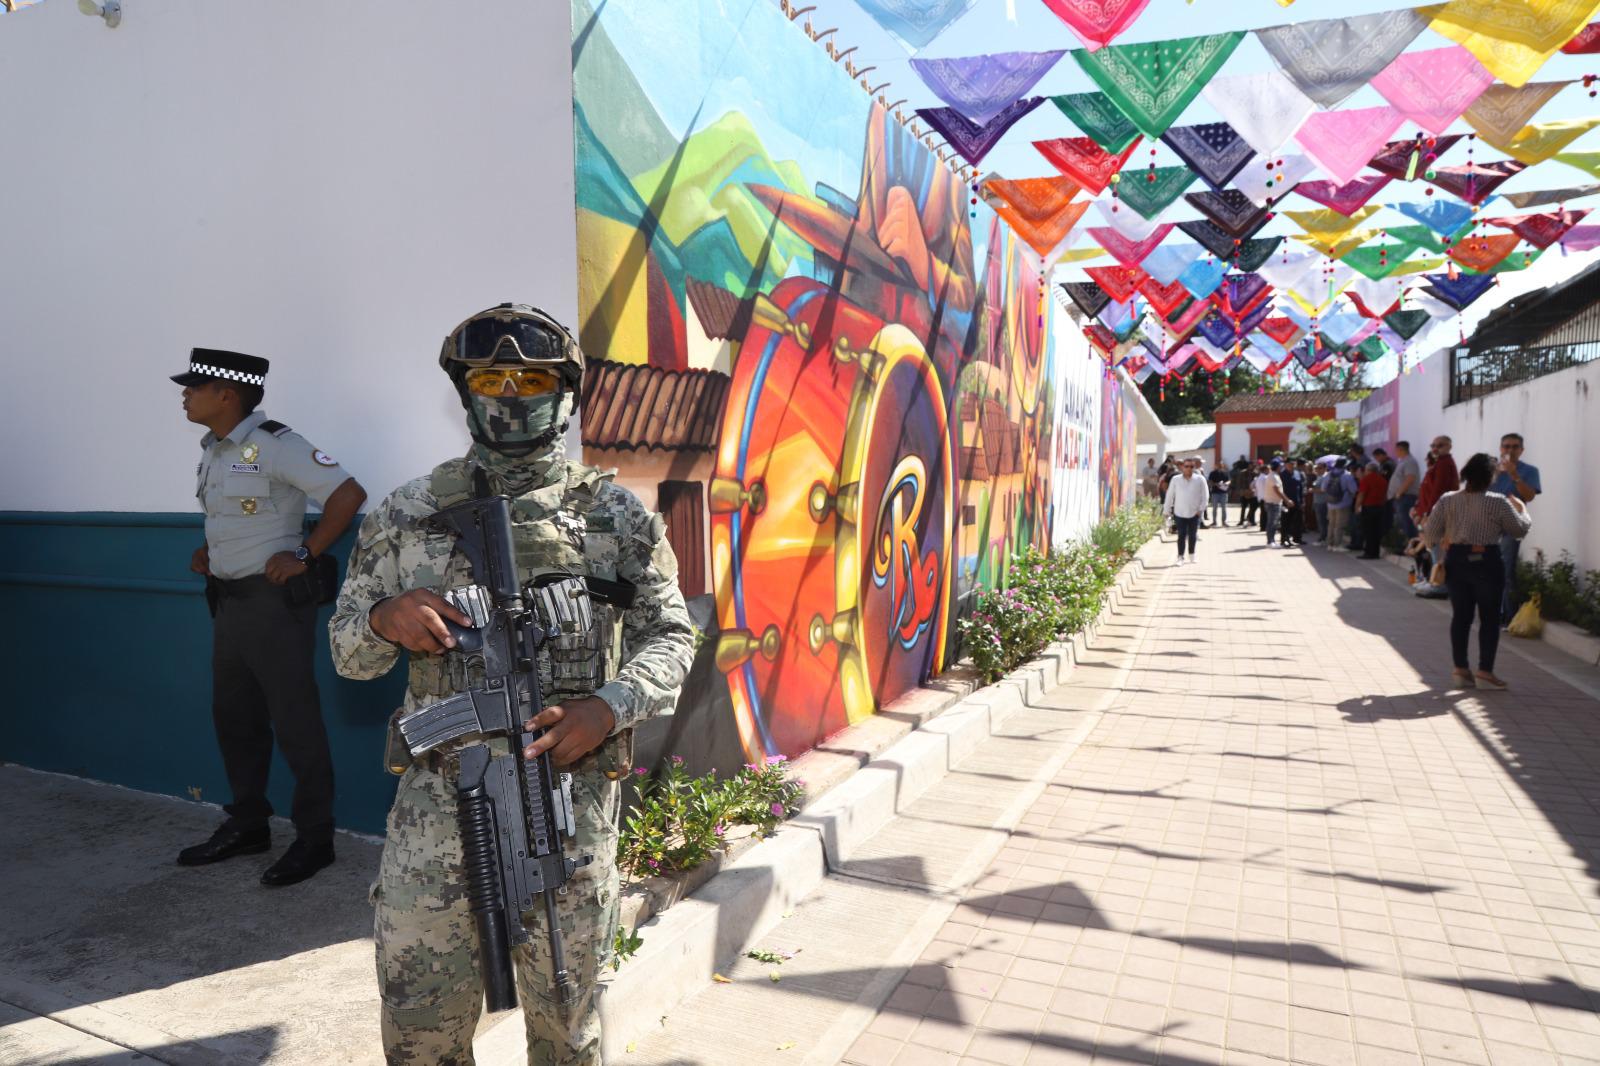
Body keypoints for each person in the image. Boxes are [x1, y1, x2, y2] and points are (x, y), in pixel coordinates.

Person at [329, 304, 696, 1064]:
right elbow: (348, 657)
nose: (511, 392)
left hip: (563, 814)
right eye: (491, 377)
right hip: (436, 814)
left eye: (531, 377)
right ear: (464, 392)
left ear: (565, 394)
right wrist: (382, 620)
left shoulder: (617, 517)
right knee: (418, 1024)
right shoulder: (407, 512)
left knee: (567, 1026)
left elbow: (672, 636)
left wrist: (608, 707)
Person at [173, 348, 367, 885]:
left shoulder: (276, 444)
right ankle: (249, 823)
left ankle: (315, 839)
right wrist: (210, 551)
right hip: (229, 602)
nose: (185, 395)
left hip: (273, 607)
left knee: (295, 721)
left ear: (227, 394)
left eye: (194, 387)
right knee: (235, 719)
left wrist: (305, 553)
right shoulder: (214, 450)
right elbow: (234, 518)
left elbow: (348, 494)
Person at [1423, 453, 1532, 691]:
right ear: (1490, 477)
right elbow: (1519, 530)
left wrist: (1444, 545)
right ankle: (1485, 671)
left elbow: (1430, 535)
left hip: (1456, 560)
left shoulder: (1447, 499)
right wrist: (1522, 509)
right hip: (1487, 561)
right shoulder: (1498, 501)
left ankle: (1461, 669)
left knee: (1461, 617)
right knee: (1490, 619)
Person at [1490, 432, 1541, 626]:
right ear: (1501, 448)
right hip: (1488, 526)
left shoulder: (1529, 471)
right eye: (1506, 446)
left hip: (1512, 526)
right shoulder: (1491, 470)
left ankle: (1507, 616)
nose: (1510, 450)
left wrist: (1514, 476)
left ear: (1521, 450)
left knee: (1506, 570)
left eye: (1514, 447)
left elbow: (1529, 497)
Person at [1163, 456, 1208, 565]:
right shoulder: (1175, 479)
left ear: (1194, 467)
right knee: (1181, 535)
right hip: (1179, 513)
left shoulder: (1200, 479)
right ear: (1182, 467)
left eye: (1191, 466)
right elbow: (1169, 495)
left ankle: (1192, 555)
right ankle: (1180, 557)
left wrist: (1200, 510)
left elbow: (1205, 496)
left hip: (1194, 513)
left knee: (1193, 535)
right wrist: (1166, 510)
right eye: (1186, 466)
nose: (1188, 468)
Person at [1414, 434, 1459, 528]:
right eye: (1433, 445)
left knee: (1432, 540)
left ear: (1449, 447)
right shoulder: (1439, 462)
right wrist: (1419, 509)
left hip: (1436, 513)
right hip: (1431, 511)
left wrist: (1428, 513)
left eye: (1440, 445)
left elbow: (1438, 490)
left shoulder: (1444, 464)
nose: (1435, 448)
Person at [1388, 440, 1421, 541]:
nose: (1395, 452)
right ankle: (1407, 545)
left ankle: (1412, 546)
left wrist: (1399, 493)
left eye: (1396, 450)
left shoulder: (1410, 461)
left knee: (1407, 523)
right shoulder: (1403, 461)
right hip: (1402, 497)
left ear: (1400, 449)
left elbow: (1410, 478)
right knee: (1403, 523)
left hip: (1406, 497)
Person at [1356, 460, 1389, 559]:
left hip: (1368, 507)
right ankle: (1375, 553)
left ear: (1368, 470)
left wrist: (1357, 506)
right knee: (1376, 531)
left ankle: (1369, 553)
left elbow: (1361, 494)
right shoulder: (1383, 480)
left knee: (1368, 531)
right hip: (1380, 507)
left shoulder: (1366, 479)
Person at [1322, 459, 1357, 551]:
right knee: (1340, 525)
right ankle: (1337, 545)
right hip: (1343, 503)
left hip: (1330, 504)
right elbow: (1354, 490)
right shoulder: (1347, 475)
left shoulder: (1328, 474)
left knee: (1331, 524)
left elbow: (1323, 488)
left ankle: (1330, 544)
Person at [1259, 459, 1289, 547]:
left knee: (1273, 522)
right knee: (1272, 523)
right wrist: (1287, 500)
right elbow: (1277, 490)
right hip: (1273, 503)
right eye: (1281, 466)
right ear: (1278, 466)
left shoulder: (1274, 475)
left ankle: (1271, 541)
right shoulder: (1273, 476)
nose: (1282, 467)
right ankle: (1270, 541)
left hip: (1273, 502)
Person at [1280, 458, 1306, 546]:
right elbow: (1280, 490)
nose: (1292, 465)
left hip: (1297, 501)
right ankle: (1285, 539)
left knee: (1298, 521)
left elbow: (1300, 487)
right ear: (1286, 464)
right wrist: (1286, 500)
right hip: (1286, 502)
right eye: (1290, 464)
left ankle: (1297, 538)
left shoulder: (1297, 473)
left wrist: (1302, 500)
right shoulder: (1282, 475)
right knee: (1286, 521)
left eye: (1293, 464)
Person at [1310, 461, 1330, 544]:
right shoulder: (1319, 476)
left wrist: (1313, 490)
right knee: (1320, 521)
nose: (1317, 470)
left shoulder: (1326, 477)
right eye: (1316, 468)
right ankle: (1323, 537)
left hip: (1323, 502)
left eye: (1320, 468)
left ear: (1325, 468)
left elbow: (1323, 490)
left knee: (1322, 521)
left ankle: (1323, 538)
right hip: (1317, 501)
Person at [1207, 462, 1230, 527]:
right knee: (1214, 508)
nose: (1220, 466)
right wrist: (1216, 484)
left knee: (1224, 508)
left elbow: (1229, 480)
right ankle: (1214, 522)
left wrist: (1227, 483)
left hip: (1224, 493)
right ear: (1216, 466)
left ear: (1223, 466)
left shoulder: (1225, 473)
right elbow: (1210, 482)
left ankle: (1224, 522)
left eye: (1221, 465)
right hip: (1215, 493)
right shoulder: (1212, 473)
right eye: (1219, 465)